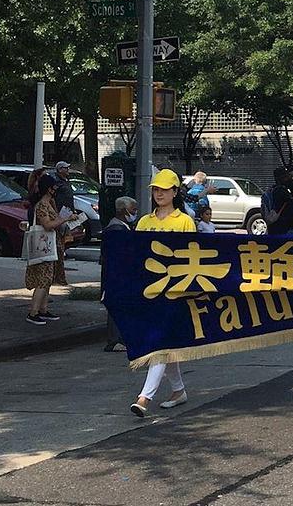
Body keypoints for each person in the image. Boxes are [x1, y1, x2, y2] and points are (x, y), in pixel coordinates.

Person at [131, 169, 196, 418]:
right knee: (165, 345)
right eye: (156, 189)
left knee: (159, 344)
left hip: (175, 292)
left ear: (175, 192)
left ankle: (144, 397)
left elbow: (192, 255)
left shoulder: (184, 222)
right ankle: (179, 390)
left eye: (164, 189)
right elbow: (135, 254)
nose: (159, 193)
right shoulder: (145, 222)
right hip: (149, 290)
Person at [25, 174, 69, 325]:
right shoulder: (42, 205)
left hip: (51, 246)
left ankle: (43, 309)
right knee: (43, 280)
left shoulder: (50, 203)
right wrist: (64, 219)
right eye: (54, 187)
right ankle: (33, 312)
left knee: (48, 279)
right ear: (48, 189)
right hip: (44, 246)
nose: (56, 189)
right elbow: (47, 225)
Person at [101, 195, 137, 352]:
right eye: (133, 210)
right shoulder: (117, 229)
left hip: (116, 275)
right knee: (117, 306)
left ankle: (119, 339)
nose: (135, 213)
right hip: (117, 275)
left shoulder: (118, 227)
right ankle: (115, 340)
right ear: (123, 211)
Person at [263, 167, 292, 233]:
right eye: (286, 177)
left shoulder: (272, 189)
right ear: (281, 178)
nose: (288, 179)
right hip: (281, 224)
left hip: (272, 224)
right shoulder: (281, 191)